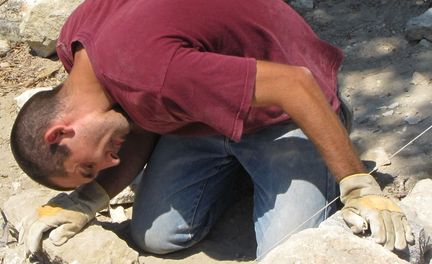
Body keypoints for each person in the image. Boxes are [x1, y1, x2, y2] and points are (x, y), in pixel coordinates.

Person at [11, 0, 413, 259]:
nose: (111, 163)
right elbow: (142, 110)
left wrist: (358, 184)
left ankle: (330, 125)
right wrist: (88, 199)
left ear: (59, 133)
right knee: (158, 238)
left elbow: (296, 84)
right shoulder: (76, 49)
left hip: (282, 108)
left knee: (285, 253)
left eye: (88, 169)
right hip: (201, 112)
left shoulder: (149, 70)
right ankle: (243, 173)